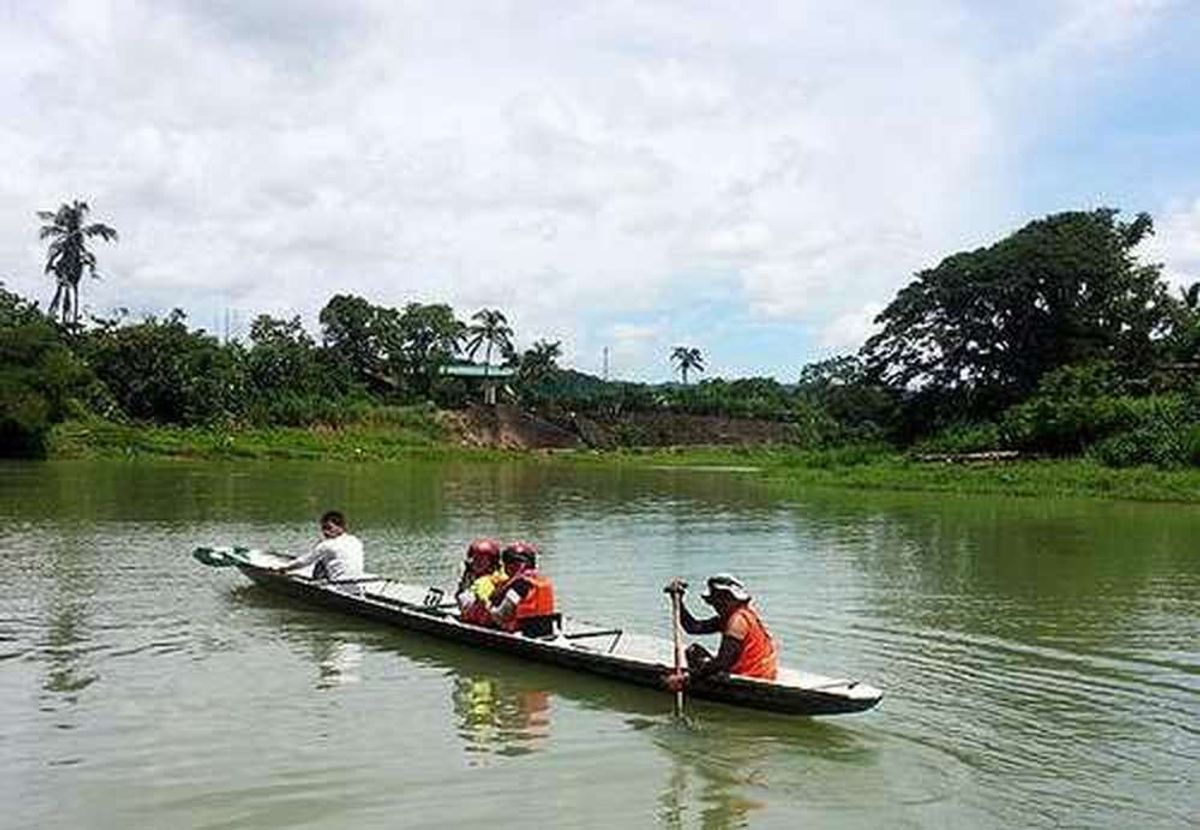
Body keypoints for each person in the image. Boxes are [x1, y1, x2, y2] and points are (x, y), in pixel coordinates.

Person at [664, 573, 777, 690]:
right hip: (761, 673)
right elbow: (693, 627)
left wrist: (687, 679)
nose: (716, 606)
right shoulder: (731, 616)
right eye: (715, 601)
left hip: (751, 676)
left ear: (731, 598)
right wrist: (678, 602)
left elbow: (723, 662)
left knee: (698, 659)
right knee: (693, 651)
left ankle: (699, 689)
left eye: (720, 600)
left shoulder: (737, 621)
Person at [271, 510, 365, 594]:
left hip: (338, 587)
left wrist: (283, 569)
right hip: (358, 586)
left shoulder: (326, 545)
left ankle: (316, 586)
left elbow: (303, 562)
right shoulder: (355, 540)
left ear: (341, 527)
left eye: (329, 528)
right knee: (323, 559)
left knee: (320, 561)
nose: (325, 532)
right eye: (323, 528)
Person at [487, 541, 557, 635]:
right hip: (546, 629)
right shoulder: (540, 580)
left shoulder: (519, 585)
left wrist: (486, 609)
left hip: (524, 632)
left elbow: (502, 615)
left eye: (509, 564)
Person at [456, 538, 506, 625]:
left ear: (492, 562)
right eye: (475, 559)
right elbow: (459, 593)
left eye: (481, 560)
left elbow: (486, 603)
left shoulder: (497, 577)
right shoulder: (468, 571)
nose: (476, 563)